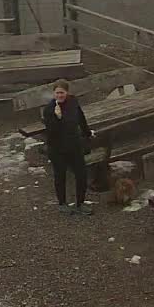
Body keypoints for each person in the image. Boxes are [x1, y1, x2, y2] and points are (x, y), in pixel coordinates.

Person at [41, 79, 94, 214]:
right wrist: (57, 117)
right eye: (57, 93)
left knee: (81, 174)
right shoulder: (49, 110)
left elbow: (81, 118)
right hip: (57, 148)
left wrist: (87, 133)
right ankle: (62, 203)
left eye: (62, 92)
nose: (60, 95)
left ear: (67, 92)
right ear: (54, 93)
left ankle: (80, 203)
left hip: (74, 145)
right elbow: (51, 132)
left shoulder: (73, 102)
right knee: (60, 175)